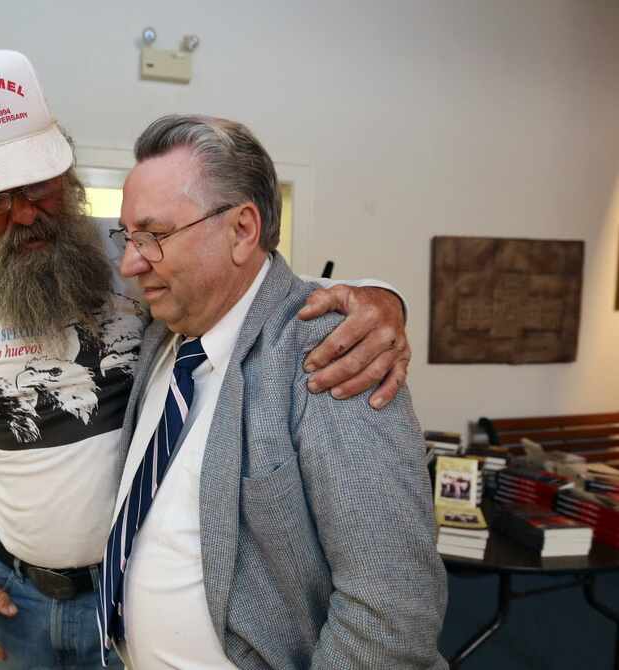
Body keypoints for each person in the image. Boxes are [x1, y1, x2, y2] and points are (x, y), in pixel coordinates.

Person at [0, 50, 412, 669]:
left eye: (34, 187)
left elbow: (251, 282)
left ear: (63, 171)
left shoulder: (133, 255)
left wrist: (378, 300)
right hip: (14, 592)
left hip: (119, 591)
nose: (20, 213)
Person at [99, 114, 447, 669]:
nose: (131, 263)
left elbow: (391, 607)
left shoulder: (332, 352)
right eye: (129, 236)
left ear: (241, 230)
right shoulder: (164, 334)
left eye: (155, 236)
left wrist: (382, 302)